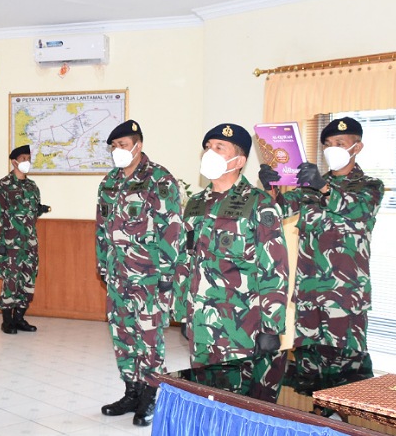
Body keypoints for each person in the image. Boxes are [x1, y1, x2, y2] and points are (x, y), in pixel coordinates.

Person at [258, 117, 384, 399]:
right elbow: (280, 210)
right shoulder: (311, 185)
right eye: (327, 144)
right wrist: (272, 188)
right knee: (309, 365)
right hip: (309, 291)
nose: (332, 149)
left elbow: (358, 211)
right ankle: (317, 415)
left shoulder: (370, 185)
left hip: (345, 294)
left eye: (339, 143)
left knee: (348, 366)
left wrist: (324, 189)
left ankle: (354, 422)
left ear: (357, 146)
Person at [174, 123, 289, 404]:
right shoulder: (197, 203)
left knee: (239, 405)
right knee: (204, 397)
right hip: (201, 324)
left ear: (239, 161)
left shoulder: (259, 204)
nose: (208, 153)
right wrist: (184, 312)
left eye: (218, 148)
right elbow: (186, 260)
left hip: (240, 328)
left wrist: (271, 328)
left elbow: (274, 269)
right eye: (207, 148)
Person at [95, 120, 183, 426]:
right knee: (122, 335)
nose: (118, 151)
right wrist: (102, 266)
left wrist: (167, 275)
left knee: (149, 338)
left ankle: (150, 395)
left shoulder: (159, 179)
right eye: (114, 147)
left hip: (149, 277)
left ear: (138, 145)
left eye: (123, 145)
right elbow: (101, 229)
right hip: (118, 275)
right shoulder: (109, 182)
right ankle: (131, 391)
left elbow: (172, 229)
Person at [0, 144, 49, 334]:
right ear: (14, 161)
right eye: (23, 159)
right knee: (11, 281)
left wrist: (39, 209)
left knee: (28, 280)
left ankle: (19, 318)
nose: (27, 162)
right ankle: (7, 320)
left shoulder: (32, 186)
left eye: (28, 158)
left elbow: (33, 213)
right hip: (11, 243)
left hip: (30, 243)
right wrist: (0, 243)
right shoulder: (3, 185)